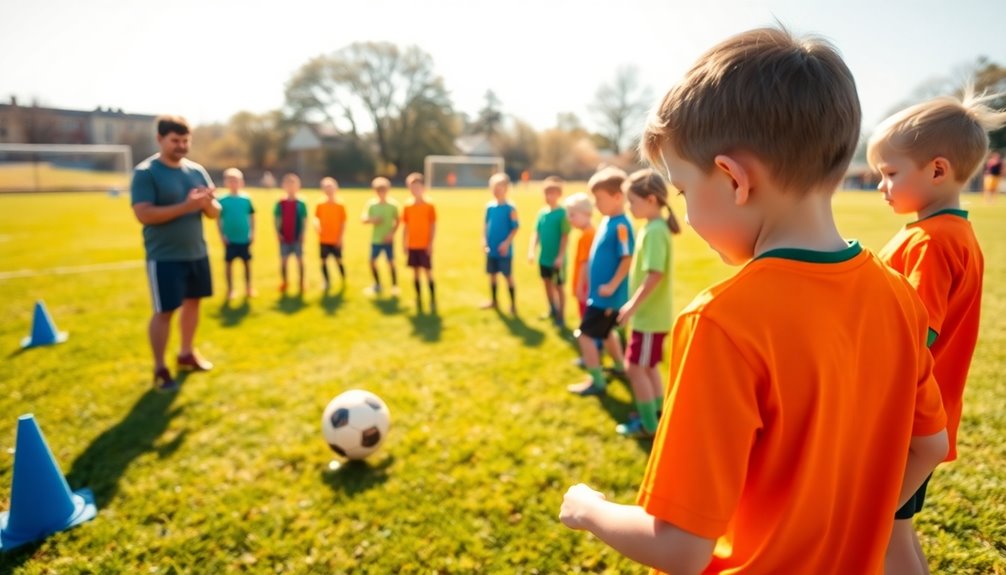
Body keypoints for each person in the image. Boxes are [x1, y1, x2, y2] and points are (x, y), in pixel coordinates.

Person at [558, 27, 948, 574]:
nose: (687, 215)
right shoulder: (899, 297)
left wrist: (589, 508)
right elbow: (930, 444)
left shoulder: (722, 321)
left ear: (733, 179)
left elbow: (680, 548)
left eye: (684, 191)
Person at [869, 94, 1005, 573]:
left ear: (937, 171)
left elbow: (913, 335)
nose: (881, 186)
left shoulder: (932, 241)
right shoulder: (948, 233)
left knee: (884, 533)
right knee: (895, 530)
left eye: (890, 173)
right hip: (923, 413)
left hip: (907, 417)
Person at [130, 115, 220, 392]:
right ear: (160, 139)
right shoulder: (146, 173)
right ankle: (160, 367)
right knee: (165, 311)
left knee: (194, 303)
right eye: (175, 141)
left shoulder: (196, 171)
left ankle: (186, 353)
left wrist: (207, 203)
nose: (181, 146)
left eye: (185, 141)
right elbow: (143, 214)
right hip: (164, 257)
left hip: (196, 253)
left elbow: (215, 212)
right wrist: (186, 206)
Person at [613, 169, 681, 438]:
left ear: (651, 199)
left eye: (633, 201)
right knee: (648, 367)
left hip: (649, 317)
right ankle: (657, 413)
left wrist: (632, 305)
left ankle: (648, 426)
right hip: (652, 317)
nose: (629, 207)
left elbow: (655, 274)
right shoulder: (653, 227)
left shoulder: (654, 231)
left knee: (634, 368)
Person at [567, 167, 633, 396]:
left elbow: (626, 258)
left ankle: (597, 381)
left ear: (617, 197)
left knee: (585, 336)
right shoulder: (607, 220)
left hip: (607, 297)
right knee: (606, 334)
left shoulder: (622, 225)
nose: (596, 204)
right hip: (600, 295)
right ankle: (619, 368)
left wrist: (612, 286)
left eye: (599, 199)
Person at [527, 176, 570, 326]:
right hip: (543, 258)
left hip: (557, 260)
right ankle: (552, 308)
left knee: (558, 286)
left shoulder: (563, 213)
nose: (549, 196)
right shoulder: (542, 213)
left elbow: (565, 236)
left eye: (552, 193)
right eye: (546, 193)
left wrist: (560, 256)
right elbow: (536, 233)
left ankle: (561, 315)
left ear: (559, 194)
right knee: (546, 284)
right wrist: (531, 250)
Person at [481, 172, 519, 314]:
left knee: (508, 276)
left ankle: (513, 305)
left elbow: (515, 228)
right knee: (492, 275)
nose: (496, 191)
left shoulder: (511, 208)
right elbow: (485, 226)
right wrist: (484, 241)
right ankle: (494, 301)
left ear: (506, 188)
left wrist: (506, 243)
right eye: (494, 188)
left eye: (499, 187)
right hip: (491, 248)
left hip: (504, 250)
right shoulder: (489, 207)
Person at [401, 173, 437, 313]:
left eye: (417, 187)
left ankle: (432, 298)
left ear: (423, 188)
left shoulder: (429, 205)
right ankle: (418, 296)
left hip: (424, 245)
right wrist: (404, 243)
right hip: (412, 245)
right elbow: (406, 225)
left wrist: (430, 243)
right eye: (412, 187)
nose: (415, 190)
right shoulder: (407, 206)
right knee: (415, 273)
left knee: (428, 273)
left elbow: (433, 225)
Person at [217, 167, 255, 300]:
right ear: (226, 183)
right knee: (228, 264)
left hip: (244, 237)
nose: (233, 183)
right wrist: (222, 235)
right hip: (230, 239)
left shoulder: (246, 199)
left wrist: (252, 232)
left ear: (241, 182)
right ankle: (230, 290)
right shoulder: (221, 200)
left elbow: (251, 216)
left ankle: (248, 288)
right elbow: (218, 219)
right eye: (230, 180)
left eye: (236, 180)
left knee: (247, 264)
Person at [362, 176, 400, 297]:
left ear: (388, 190)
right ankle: (377, 284)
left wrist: (391, 233)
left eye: (383, 190)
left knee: (390, 262)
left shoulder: (393, 205)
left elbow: (398, 221)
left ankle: (394, 286)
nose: (381, 193)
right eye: (379, 191)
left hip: (388, 240)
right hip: (376, 239)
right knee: (372, 262)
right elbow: (363, 219)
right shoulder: (372, 205)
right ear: (375, 191)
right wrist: (372, 219)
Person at [564, 192, 596, 321]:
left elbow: (585, 263)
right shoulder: (591, 231)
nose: (569, 219)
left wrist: (579, 287)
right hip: (588, 284)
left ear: (587, 214)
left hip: (584, 285)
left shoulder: (586, 236)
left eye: (572, 215)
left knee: (586, 319)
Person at [274, 173, 307, 295]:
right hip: (284, 237)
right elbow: (276, 218)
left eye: (293, 185)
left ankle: (302, 283)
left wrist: (303, 233)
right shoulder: (280, 202)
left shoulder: (301, 202)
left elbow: (304, 219)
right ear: (284, 186)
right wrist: (277, 232)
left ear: (298, 186)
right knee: (283, 261)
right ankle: (284, 282)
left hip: (297, 236)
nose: (291, 187)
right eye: (288, 185)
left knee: (300, 260)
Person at [315, 176, 346, 291]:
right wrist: (317, 226)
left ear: (335, 189)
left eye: (330, 188)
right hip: (323, 239)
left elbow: (343, 222)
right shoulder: (320, 204)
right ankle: (326, 281)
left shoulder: (340, 205)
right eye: (326, 188)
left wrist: (341, 238)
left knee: (338, 260)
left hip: (336, 239)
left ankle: (343, 278)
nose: (328, 190)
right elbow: (316, 218)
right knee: (323, 261)